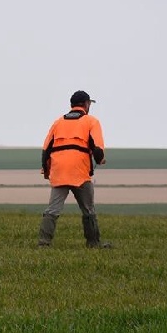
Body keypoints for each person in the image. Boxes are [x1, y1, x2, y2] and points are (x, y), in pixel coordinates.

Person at [37, 90, 112, 248]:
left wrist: (46, 170)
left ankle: (43, 243)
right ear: (86, 104)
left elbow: (46, 149)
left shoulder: (58, 122)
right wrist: (100, 159)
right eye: (89, 103)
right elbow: (97, 148)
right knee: (88, 209)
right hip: (79, 172)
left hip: (59, 172)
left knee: (53, 209)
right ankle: (93, 243)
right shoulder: (91, 121)